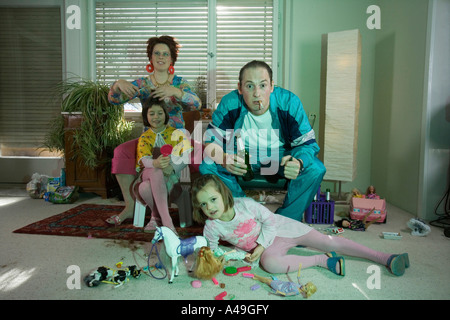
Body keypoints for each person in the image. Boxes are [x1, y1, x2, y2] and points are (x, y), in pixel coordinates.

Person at [191, 174, 410, 276]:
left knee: (327, 241)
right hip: (268, 248)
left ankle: (385, 257)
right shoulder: (211, 226)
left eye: (213, 199)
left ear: (223, 194)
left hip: (282, 229)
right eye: (203, 204)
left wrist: (258, 246)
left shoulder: (245, 205)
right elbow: (214, 249)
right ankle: (321, 261)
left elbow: (269, 221)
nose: (209, 207)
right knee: (272, 266)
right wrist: (220, 257)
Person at [199, 60, 325, 221]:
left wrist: (298, 162)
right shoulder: (229, 103)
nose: (257, 93)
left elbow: (307, 144)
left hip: (280, 156)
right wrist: (224, 159)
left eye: (263, 85)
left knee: (315, 168)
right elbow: (210, 142)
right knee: (207, 165)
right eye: (250, 86)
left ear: (272, 86)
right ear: (240, 88)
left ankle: (285, 222)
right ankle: (245, 215)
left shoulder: (289, 102)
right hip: (242, 155)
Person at [106, 35, 201, 225]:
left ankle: (197, 205)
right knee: (121, 152)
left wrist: (177, 93)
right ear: (150, 58)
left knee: (202, 153)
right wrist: (118, 84)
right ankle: (130, 206)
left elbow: (196, 104)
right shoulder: (142, 84)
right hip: (150, 139)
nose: (161, 57)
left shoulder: (180, 83)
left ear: (172, 59)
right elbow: (113, 100)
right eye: (156, 53)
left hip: (176, 138)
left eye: (166, 54)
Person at [132, 96, 191, 232]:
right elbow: (144, 161)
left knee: (145, 188)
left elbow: (185, 157)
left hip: (169, 178)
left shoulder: (176, 134)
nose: (156, 117)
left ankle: (155, 217)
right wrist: (155, 163)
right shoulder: (145, 137)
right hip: (149, 173)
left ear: (165, 115)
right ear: (146, 116)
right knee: (155, 172)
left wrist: (173, 167)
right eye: (151, 114)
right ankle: (168, 223)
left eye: (160, 113)